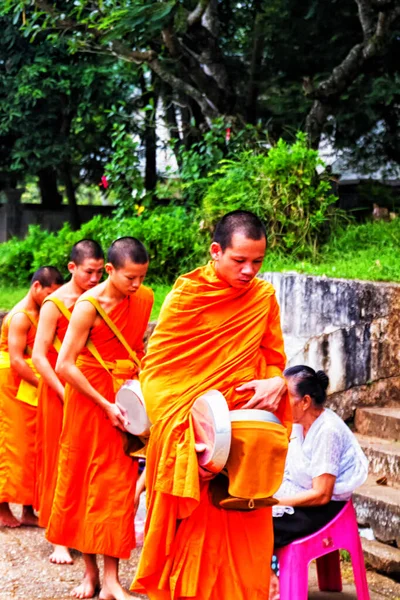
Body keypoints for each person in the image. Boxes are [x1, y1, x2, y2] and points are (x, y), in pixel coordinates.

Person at [131, 210, 292, 600]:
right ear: (216, 251)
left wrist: (278, 382)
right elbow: (159, 375)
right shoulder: (188, 297)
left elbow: (275, 359)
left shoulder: (263, 298)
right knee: (192, 550)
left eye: (258, 261)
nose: (249, 270)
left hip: (245, 446)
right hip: (197, 445)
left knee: (244, 547)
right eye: (239, 260)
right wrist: (192, 444)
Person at [46, 237, 153, 600]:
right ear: (110, 270)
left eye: (141, 277)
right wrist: (103, 403)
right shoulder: (86, 306)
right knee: (82, 484)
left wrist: (136, 394)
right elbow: (64, 364)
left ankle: (112, 581)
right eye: (129, 278)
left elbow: (138, 349)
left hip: (123, 403)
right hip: (88, 403)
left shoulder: (144, 299)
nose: (136, 286)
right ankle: (90, 577)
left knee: (117, 490)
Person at [32, 239, 104, 565]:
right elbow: (39, 355)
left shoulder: (101, 299)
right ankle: (57, 538)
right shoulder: (54, 303)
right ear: (73, 268)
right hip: (59, 391)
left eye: (100, 272)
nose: (94, 278)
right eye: (89, 271)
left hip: (89, 388)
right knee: (57, 460)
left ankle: (83, 528)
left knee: (87, 460)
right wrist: (64, 393)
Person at [269, 365, 369, 600]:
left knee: (265, 524)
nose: (281, 402)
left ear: (304, 402)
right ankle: (269, 581)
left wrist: (274, 501)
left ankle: (273, 585)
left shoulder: (327, 431)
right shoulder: (298, 424)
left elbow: (322, 494)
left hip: (327, 505)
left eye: (286, 397)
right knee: (251, 515)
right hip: (303, 495)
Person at [0, 266, 64, 528]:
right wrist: (44, 383)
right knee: (13, 446)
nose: (52, 300)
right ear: (36, 287)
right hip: (12, 383)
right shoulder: (19, 316)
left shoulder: (42, 312)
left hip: (32, 385)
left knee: (35, 448)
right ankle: (3, 508)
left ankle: (28, 508)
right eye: (49, 293)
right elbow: (16, 360)